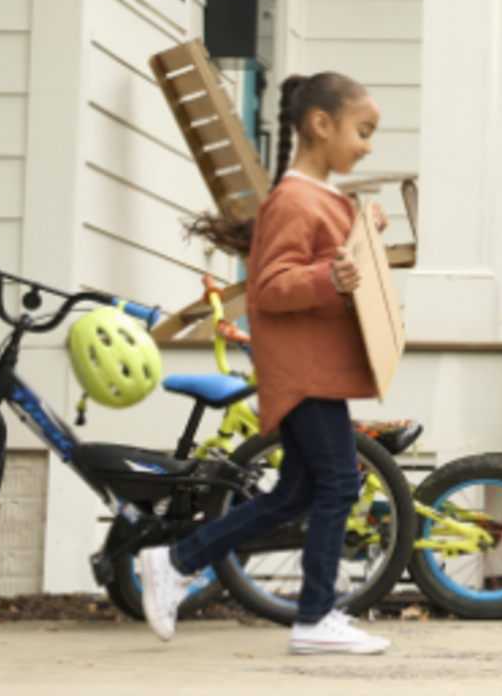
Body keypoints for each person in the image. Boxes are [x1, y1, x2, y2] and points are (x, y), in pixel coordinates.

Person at [137, 71, 393, 655]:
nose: (368, 145)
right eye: (363, 130)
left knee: (297, 493)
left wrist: (362, 233)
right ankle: (314, 617)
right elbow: (272, 287)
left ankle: (175, 562)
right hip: (306, 370)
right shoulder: (295, 199)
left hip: (315, 366)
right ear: (320, 125)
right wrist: (330, 275)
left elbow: (328, 260)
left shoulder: (320, 198)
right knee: (338, 484)